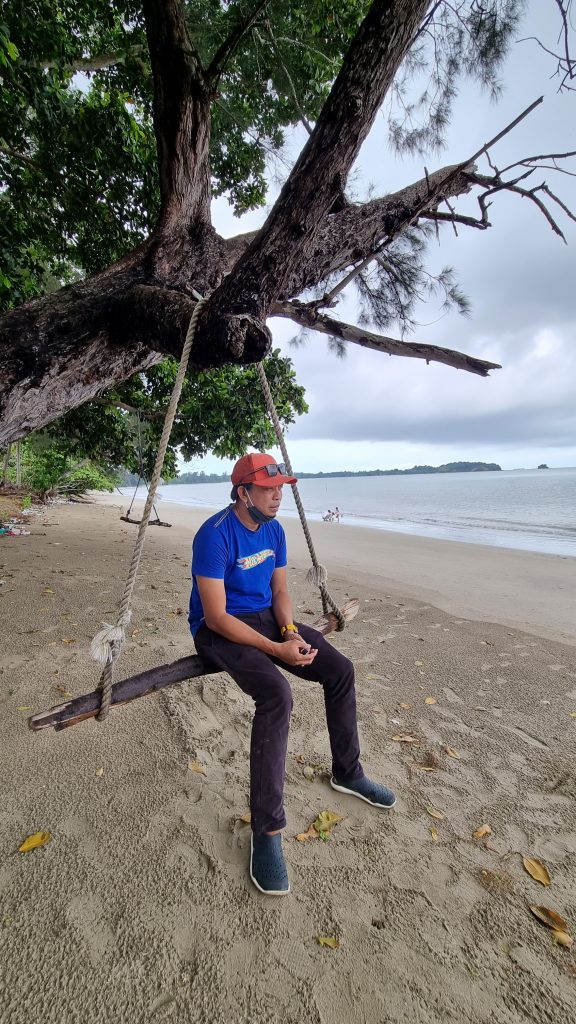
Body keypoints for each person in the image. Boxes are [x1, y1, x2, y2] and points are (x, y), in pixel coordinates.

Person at [188, 453, 396, 897]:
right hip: (218, 629)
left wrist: (288, 632)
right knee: (277, 694)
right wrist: (274, 649)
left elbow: (280, 591)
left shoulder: (276, 529)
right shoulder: (214, 535)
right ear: (243, 492)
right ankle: (266, 833)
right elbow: (217, 615)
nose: (278, 494)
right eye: (268, 488)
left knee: (339, 670)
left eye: (280, 486)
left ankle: (348, 772)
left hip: (266, 618)